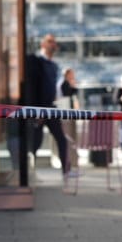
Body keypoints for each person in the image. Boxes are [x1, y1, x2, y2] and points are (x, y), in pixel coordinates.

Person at [22, 33, 75, 177]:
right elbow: (32, 87)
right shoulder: (35, 62)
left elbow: (54, 89)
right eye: (49, 41)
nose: (53, 44)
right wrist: (36, 110)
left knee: (61, 139)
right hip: (38, 109)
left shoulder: (54, 66)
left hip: (50, 108)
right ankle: (27, 172)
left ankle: (66, 170)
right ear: (43, 44)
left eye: (54, 42)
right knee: (35, 142)